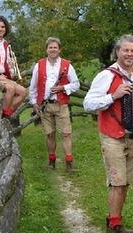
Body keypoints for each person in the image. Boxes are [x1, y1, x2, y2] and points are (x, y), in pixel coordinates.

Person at [83, 34, 133, 233]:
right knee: (117, 182)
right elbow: (88, 104)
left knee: (126, 182)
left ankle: (114, 218)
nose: (129, 54)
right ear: (118, 51)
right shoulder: (107, 75)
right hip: (112, 136)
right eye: (125, 50)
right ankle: (114, 225)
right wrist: (114, 95)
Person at [29, 37, 80, 171]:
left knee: (66, 133)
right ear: (46, 50)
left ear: (59, 49)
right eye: (50, 47)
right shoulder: (39, 65)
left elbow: (76, 84)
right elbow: (33, 86)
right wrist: (34, 102)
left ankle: (69, 163)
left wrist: (63, 88)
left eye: (55, 47)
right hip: (45, 106)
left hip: (61, 104)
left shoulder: (66, 65)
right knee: (49, 134)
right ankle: (52, 161)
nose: (53, 49)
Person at [0, 15, 26, 118]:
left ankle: (5, 113)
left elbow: (6, 64)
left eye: (3, 27)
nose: (0, 29)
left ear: (5, 29)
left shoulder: (6, 44)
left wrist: (11, 67)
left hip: (3, 76)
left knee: (23, 92)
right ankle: (2, 116)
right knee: (10, 88)